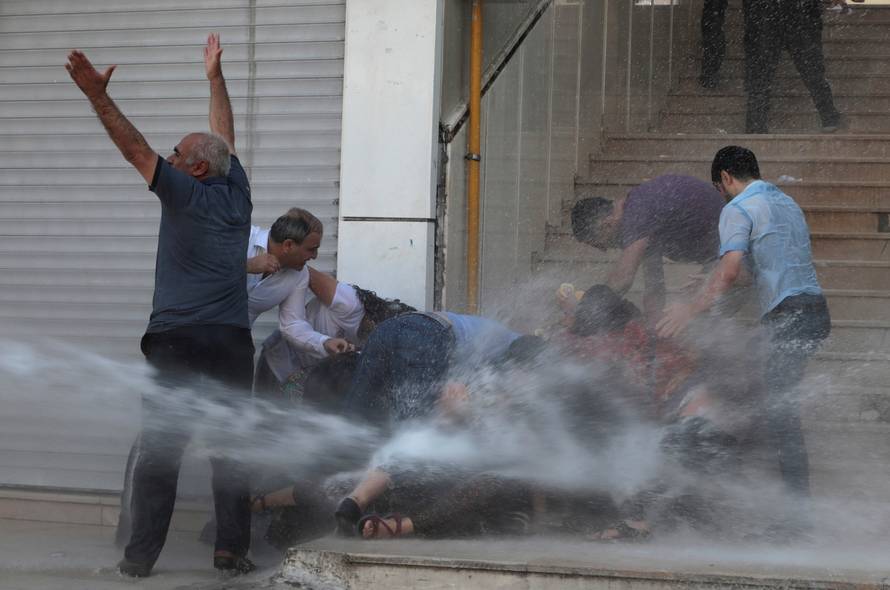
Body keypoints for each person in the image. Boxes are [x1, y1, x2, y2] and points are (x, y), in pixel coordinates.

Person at [66, 35, 257, 576]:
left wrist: (97, 97)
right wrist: (214, 78)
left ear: (194, 169)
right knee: (231, 448)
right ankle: (230, 551)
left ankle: (139, 559)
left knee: (162, 449)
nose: (169, 158)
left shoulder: (184, 191)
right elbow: (225, 137)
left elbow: (134, 148)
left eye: (177, 154)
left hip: (178, 339)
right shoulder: (236, 191)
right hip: (230, 341)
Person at [658, 146, 831, 537]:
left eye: (719, 188)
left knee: (781, 417)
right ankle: (791, 517)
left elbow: (732, 273)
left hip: (791, 316)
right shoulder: (784, 202)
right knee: (778, 412)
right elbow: (756, 269)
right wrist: (707, 282)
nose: (721, 195)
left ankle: (796, 523)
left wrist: (691, 307)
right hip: (813, 313)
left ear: (724, 179)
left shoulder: (736, 209)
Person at [571, 175, 725, 319]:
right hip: (722, 255)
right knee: (699, 305)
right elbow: (654, 286)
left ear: (606, 225)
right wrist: (652, 327)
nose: (604, 250)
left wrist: (586, 313)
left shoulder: (636, 212)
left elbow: (622, 279)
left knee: (707, 305)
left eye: (599, 244)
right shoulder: (642, 222)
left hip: (738, 250)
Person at [743, 0, 841, 133]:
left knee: (762, 70)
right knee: (809, 67)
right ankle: (828, 115)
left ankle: (756, 122)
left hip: (778, 13)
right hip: (786, 13)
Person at [700, 0, 728, 89]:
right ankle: (709, 76)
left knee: (714, 45)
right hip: (713, 16)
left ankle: (709, 75)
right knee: (715, 45)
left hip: (713, 15)